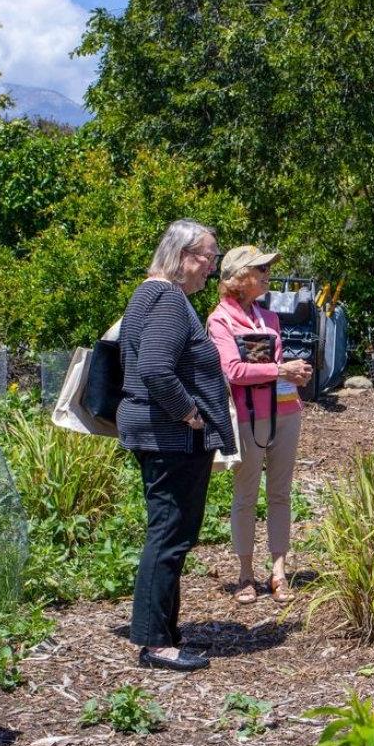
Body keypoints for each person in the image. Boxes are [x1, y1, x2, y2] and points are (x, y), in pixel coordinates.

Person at [117, 219, 236, 673]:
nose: (212, 267)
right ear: (184, 256)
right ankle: (154, 642)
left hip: (163, 435)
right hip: (172, 437)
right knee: (169, 533)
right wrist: (190, 414)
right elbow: (155, 369)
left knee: (171, 531)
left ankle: (165, 631)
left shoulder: (151, 294)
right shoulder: (167, 298)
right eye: (209, 256)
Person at [207, 245, 312, 606]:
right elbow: (233, 371)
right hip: (248, 416)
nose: (267, 274)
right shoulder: (220, 320)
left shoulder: (269, 318)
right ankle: (245, 574)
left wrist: (294, 375)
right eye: (260, 268)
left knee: (280, 493)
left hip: (285, 411)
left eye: (267, 268)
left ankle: (280, 571)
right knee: (246, 494)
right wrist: (281, 370)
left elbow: (275, 367)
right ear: (238, 278)